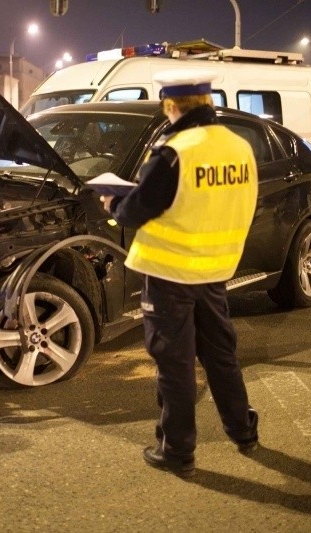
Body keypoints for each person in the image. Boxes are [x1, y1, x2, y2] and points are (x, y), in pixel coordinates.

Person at [100, 71, 259, 477]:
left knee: (175, 363)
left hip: (170, 273)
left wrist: (113, 206)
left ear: (172, 106)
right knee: (221, 355)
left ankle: (178, 451)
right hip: (214, 270)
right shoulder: (240, 147)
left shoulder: (174, 152)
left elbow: (138, 209)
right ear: (206, 103)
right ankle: (243, 431)